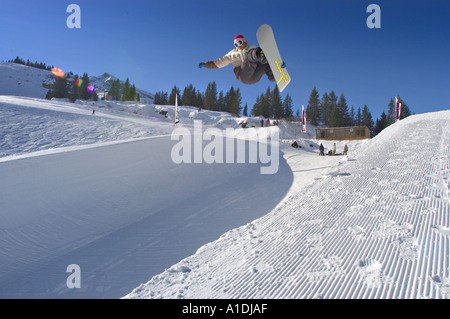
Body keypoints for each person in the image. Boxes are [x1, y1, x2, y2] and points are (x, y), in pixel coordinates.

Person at [199, 35, 275, 85]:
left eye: (239, 42)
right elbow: (220, 62)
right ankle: (259, 55)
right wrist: (206, 64)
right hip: (243, 76)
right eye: (236, 45)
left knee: (261, 59)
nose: (238, 46)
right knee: (250, 56)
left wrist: (275, 62)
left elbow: (261, 58)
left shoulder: (252, 48)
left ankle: (271, 73)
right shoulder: (233, 53)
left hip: (255, 76)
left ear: (244, 41)